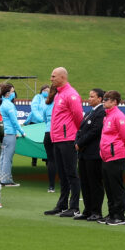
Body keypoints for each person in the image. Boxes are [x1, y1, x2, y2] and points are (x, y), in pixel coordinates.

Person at [44, 67, 84, 217]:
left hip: (67, 139)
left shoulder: (71, 94)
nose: (51, 79)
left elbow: (78, 116)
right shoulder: (60, 94)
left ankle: (74, 207)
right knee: (62, 173)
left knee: (71, 173)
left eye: (53, 76)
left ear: (62, 77)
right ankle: (62, 205)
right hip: (58, 139)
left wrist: (76, 134)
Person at [100, 90, 125, 226]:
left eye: (107, 99)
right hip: (106, 156)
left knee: (116, 187)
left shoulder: (118, 116)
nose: (104, 101)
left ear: (114, 102)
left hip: (116, 155)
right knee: (108, 186)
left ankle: (120, 215)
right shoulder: (107, 116)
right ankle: (112, 213)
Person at [75, 88, 106, 221]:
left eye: (92, 97)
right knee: (85, 183)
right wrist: (77, 141)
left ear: (100, 98)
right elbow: (80, 129)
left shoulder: (101, 112)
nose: (89, 99)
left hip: (93, 153)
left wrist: (80, 143)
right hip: (83, 154)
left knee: (95, 183)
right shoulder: (89, 113)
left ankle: (96, 211)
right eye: (89, 96)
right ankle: (87, 210)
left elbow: (95, 132)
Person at [23, 84, 57, 191]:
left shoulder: (47, 104)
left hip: (47, 131)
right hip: (59, 133)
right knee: (61, 159)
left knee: (50, 159)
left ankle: (51, 186)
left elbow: (44, 119)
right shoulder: (60, 103)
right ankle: (66, 185)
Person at [0, 83, 23, 187]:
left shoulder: (3, 104)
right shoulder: (9, 105)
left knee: (3, 157)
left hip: (5, 133)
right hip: (9, 133)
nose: (14, 93)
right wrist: (21, 132)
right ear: (8, 93)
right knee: (7, 157)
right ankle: (6, 180)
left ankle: (2, 178)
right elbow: (14, 121)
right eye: (13, 91)